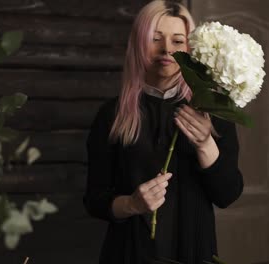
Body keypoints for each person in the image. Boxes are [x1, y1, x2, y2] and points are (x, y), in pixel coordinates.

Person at [83, 1, 243, 263]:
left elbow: (227, 195)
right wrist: (132, 204)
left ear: (190, 48)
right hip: (129, 253)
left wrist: (205, 144)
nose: (167, 49)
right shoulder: (111, 115)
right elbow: (95, 200)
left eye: (177, 41)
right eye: (155, 39)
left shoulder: (212, 110)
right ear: (138, 45)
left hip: (194, 251)